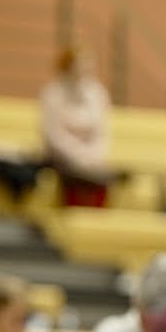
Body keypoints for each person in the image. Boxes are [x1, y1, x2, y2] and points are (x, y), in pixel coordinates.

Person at [39, 43, 117, 208]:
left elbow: (102, 132)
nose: (84, 70)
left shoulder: (97, 93)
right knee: (74, 175)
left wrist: (94, 155)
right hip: (62, 158)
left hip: (92, 157)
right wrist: (77, 155)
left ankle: (97, 218)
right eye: (79, 65)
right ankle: (70, 212)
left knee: (103, 176)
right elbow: (53, 135)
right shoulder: (53, 93)